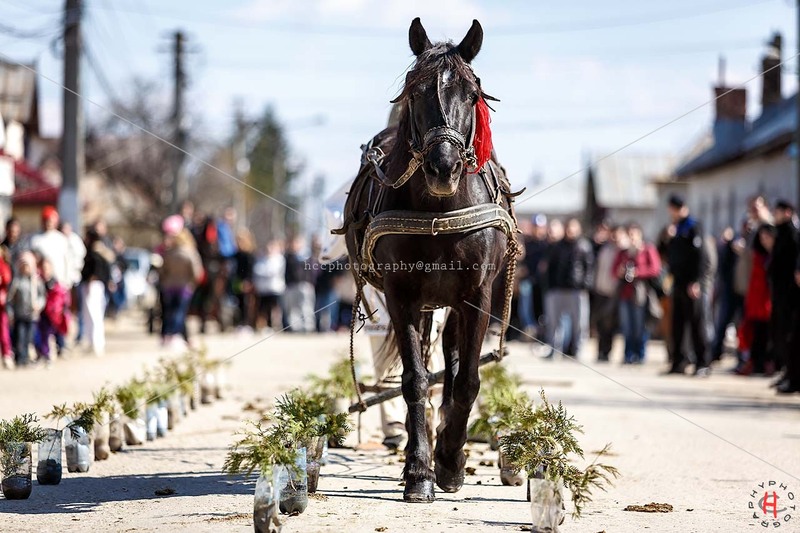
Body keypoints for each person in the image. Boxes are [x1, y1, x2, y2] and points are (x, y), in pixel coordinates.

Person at [664, 195, 710, 376]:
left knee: (697, 324)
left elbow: (700, 257)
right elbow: (667, 254)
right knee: (678, 325)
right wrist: (667, 238)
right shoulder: (674, 229)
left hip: (692, 284)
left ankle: (702, 363)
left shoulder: (693, 226)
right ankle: (679, 362)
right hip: (678, 282)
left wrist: (697, 281)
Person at [543, 218, 594, 358]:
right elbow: (550, 268)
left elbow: (589, 268)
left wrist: (585, 285)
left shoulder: (584, 246)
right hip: (558, 289)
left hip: (577, 290)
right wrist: (550, 286)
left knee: (579, 324)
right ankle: (555, 351)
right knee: (554, 323)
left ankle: (578, 351)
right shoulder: (557, 246)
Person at [613, 223, 661, 364]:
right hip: (625, 293)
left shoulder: (647, 249)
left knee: (640, 326)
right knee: (626, 326)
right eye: (630, 235)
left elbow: (655, 269)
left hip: (641, 293)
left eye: (634, 234)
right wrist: (621, 271)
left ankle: (640, 354)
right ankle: (628, 354)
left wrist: (638, 272)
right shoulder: (623, 253)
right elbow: (614, 271)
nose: (632, 238)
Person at [768, 200, 800, 394]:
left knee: (791, 337)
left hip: (791, 295)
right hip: (781, 294)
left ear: (787, 212)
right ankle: (788, 374)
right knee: (782, 336)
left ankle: (793, 377)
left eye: (778, 211)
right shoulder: (781, 232)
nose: (775, 214)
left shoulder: (792, 234)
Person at [736, 224, 775, 376]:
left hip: (768, 300)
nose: (764, 240)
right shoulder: (756, 254)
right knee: (754, 333)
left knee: (767, 333)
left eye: (767, 237)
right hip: (755, 299)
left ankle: (766, 362)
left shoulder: (774, 254)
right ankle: (755, 362)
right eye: (762, 237)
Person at [159, 219, 204, 349]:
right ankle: (175, 335)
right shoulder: (190, 252)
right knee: (179, 312)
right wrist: (192, 283)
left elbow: (163, 270)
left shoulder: (169, 253)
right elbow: (197, 272)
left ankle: (168, 335)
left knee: (170, 311)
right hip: (184, 286)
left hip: (169, 286)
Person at [592, 224, 625, 362]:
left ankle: (606, 351)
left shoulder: (622, 252)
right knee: (599, 323)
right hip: (600, 290)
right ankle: (600, 351)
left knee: (609, 324)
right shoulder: (604, 248)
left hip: (613, 292)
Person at [81, 228, 114, 356]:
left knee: (94, 314)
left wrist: (91, 279)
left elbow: (97, 270)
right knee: (91, 315)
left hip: (93, 285)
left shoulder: (95, 252)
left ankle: (96, 343)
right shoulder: (98, 250)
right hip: (94, 285)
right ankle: (92, 342)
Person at [7, 251, 44, 367]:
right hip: (19, 315)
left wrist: (38, 305)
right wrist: (10, 313)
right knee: (20, 337)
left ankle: (27, 357)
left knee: (30, 337)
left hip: (32, 315)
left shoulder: (36, 281)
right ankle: (20, 358)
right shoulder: (16, 281)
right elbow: (10, 300)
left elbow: (42, 296)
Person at [34, 258, 70, 365]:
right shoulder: (38, 282)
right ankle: (45, 354)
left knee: (57, 333)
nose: (45, 271)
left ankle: (59, 349)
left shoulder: (55, 283)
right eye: (43, 268)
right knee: (43, 334)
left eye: (47, 268)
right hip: (43, 312)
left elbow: (62, 297)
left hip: (55, 314)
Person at [283, 236, 315, 332]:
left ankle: (308, 327)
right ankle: (296, 328)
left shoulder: (307, 256)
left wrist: (310, 283)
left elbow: (312, 272)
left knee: (306, 307)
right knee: (293, 309)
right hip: (291, 286)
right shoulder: (288, 256)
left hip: (304, 285)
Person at [253, 240, 286, 332]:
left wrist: (265, 273)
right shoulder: (261, 259)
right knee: (263, 309)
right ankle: (265, 326)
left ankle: (276, 326)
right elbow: (257, 270)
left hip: (275, 289)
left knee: (275, 309)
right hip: (263, 289)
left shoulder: (279, 259)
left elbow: (273, 272)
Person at [232, 229, 256, 331]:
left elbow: (250, 270)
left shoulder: (249, 255)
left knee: (247, 304)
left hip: (246, 282)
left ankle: (247, 324)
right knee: (239, 303)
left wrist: (248, 282)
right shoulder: (236, 254)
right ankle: (239, 323)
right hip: (237, 281)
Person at [0, 250, 12, 369]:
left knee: (4, 332)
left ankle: (6, 354)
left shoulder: (3, 265)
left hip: (1, 306)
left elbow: (7, 278)